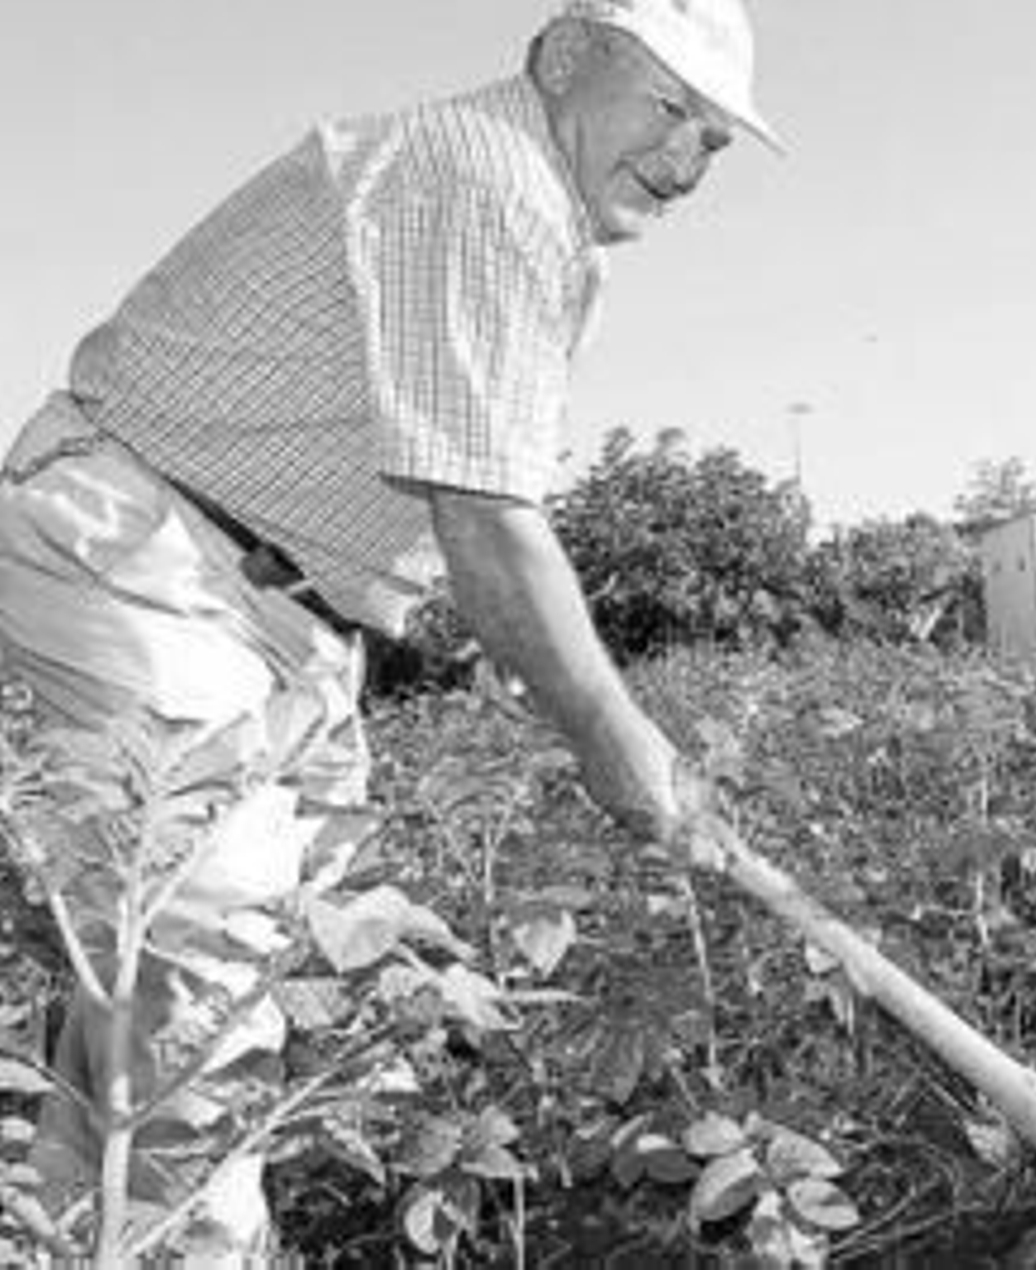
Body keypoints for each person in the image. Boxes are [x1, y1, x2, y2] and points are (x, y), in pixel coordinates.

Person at [0, 0, 775, 1257]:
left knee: (188, 986)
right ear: (568, 58)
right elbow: (487, 515)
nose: (690, 162)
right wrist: (615, 737)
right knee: (208, 994)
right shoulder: (491, 179)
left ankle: (67, 1235)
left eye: (717, 143)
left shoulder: (531, 208)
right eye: (673, 111)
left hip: (276, 614)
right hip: (150, 561)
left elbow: (442, 501)